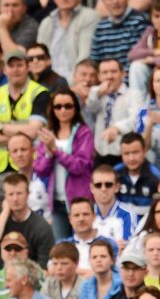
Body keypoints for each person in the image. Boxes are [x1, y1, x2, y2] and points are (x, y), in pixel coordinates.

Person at [34, 88, 94, 239]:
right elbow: (40, 169)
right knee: (61, 247)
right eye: (58, 106)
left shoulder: (84, 133)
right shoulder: (48, 133)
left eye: (68, 106)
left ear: (75, 108)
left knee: (83, 242)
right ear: (52, 109)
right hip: (56, 202)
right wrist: (49, 153)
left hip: (80, 201)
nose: (63, 110)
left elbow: (80, 166)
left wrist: (56, 151)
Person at [0, 49, 51, 148]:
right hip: (0, 160)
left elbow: (33, 132)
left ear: (28, 68)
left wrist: (1, 128)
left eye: (19, 65)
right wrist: (17, 139)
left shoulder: (40, 93)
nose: (15, 70)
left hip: (31, 158)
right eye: (11, 66)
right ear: (4, 70)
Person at [37, 0, 100, 82]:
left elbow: (85, 57)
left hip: (78, 83)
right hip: (49, 84)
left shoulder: (89, 17)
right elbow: (39, 56)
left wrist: (69, 84)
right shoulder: (46, 22)